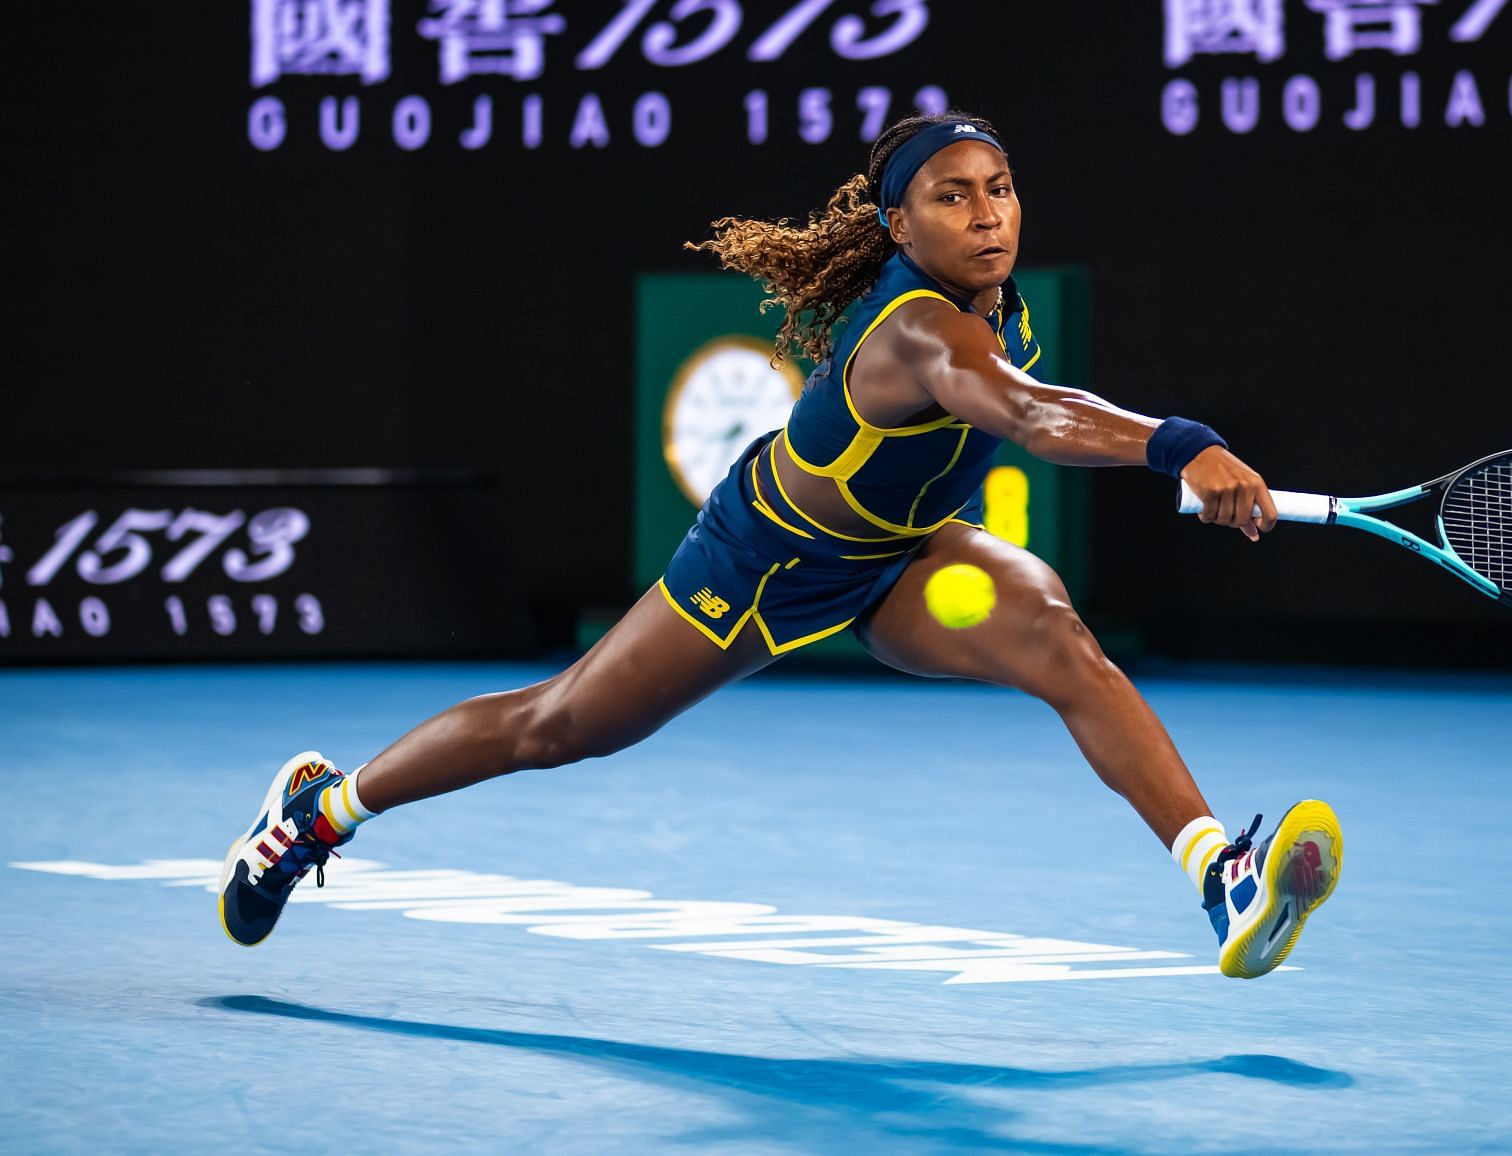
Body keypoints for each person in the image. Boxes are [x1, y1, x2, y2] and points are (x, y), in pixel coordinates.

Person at [216, 112, 1342, 979]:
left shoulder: (999, 304)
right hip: (759, 569)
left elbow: (1040, 388)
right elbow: (1033, 415)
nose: (989, 215)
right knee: (558, 726)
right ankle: (313, 814)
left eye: (1000, 190)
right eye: (954, 198)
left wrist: (1171, 450)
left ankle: (1222, 877)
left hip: (900, 562)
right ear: (901, 226)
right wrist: (1181, 446)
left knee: (1058, 639)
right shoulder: (916, 328)